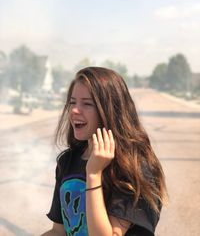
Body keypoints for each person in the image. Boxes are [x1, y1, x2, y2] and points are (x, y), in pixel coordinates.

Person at [40, 66, 167, 236]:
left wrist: (93, 174)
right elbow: (58, 231)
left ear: (110, 110)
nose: (74, 110)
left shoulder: (134, 167)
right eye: (72, 102)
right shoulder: (67, 161)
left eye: (87, 103)